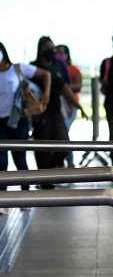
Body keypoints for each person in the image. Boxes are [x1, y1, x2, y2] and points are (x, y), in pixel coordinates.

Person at [0, 41, 52, 209]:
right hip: (0, 123)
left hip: (18, 120)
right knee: (1, 162)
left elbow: (46, 75)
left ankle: (25, 196)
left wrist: (46, 94)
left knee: (20, 159)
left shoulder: (18, 69)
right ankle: (3, 200)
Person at [30, 36, 71, 177]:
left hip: (56, 111)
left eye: (52, 48)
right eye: (48, 48)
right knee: (42, 148)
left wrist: (76, 105)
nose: (51, 51)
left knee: (64, 144)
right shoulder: (33, 67)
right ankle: (45, 180)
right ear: (40, 50)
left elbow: (65, 87)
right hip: (40, 113)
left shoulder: (58, 65)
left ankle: (52, 167)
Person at [55, 44, 83, 134]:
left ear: (67, 55)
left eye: (61, 53)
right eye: (56, 52)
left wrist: (64, 87)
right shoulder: (54, 69)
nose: (58, 55)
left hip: (71, 102)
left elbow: (78, 86)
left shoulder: (74, 69)